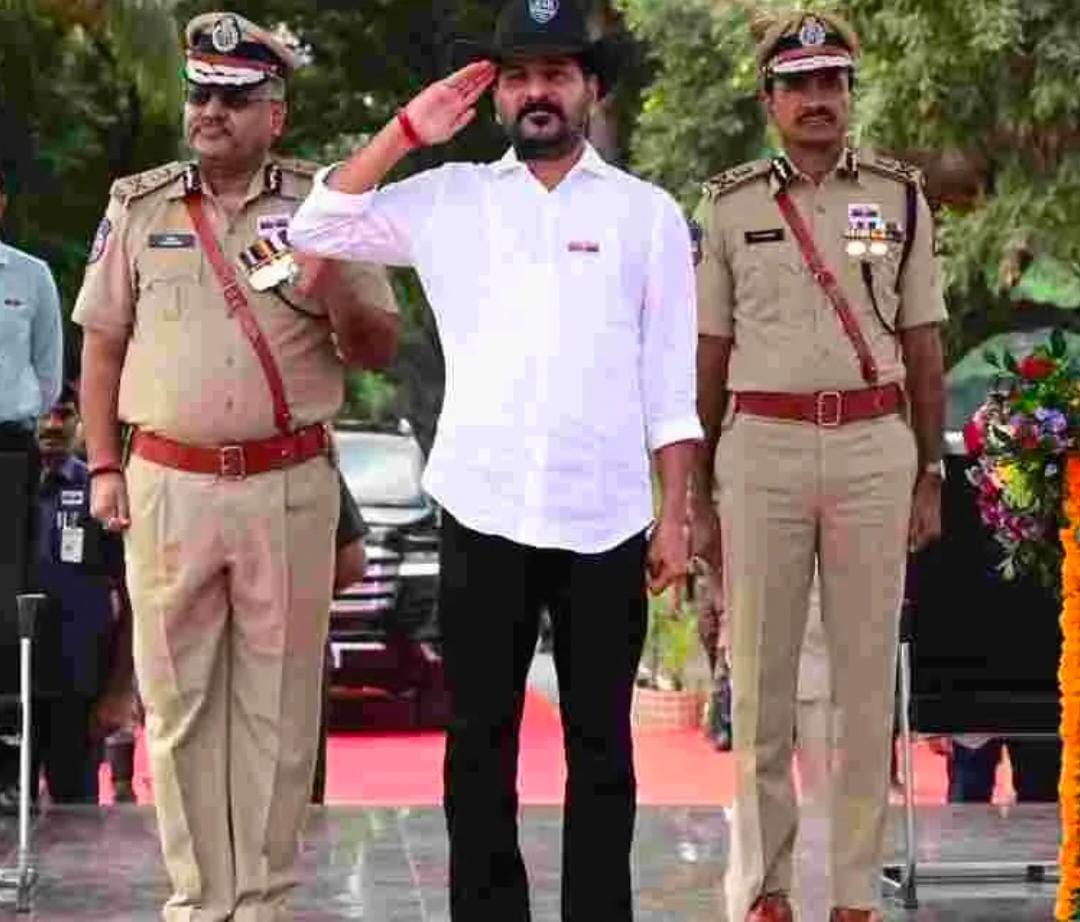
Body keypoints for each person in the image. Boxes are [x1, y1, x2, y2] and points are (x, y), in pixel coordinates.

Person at [288, 1, 701, 917]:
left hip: (606, 518)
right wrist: (407, 131)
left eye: (556, 74)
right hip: (482, 510)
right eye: (518, 77)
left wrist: (676, 513)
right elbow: (316, 228)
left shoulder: (648, 216)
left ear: (590, 88)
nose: (536, 92)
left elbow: (672, 386)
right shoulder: (449, 197)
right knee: (479, 742)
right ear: (496, 95)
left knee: (603, 748)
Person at [72, 12, 400, 919]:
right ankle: (198, 900)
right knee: (177, 705)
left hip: (286, 487)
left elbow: (376, 346)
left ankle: (261, 902)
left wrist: (331, 280)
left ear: (275, 114)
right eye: (201, 94)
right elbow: (102, 346)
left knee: (278, 710)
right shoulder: (138, 205)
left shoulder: (325, 206)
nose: (211, 111)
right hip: (166, 486)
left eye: (235, 97)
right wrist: (102, 467)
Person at [690, 11, 947, 922]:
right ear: (770, 101)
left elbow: (924, 341)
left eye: (831, 82)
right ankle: (764, 889)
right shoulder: (728, 207)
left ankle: (853, 895)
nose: (816, 99)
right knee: (760, 678)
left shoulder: (901, 198)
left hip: (875, 448)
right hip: (761, 447)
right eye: (797, 85)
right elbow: (709, 352)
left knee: (864, 683)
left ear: (849, 94)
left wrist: (929, 471)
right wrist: (695, 491)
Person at [27, 382, 131, 804]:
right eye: (45, 413)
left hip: (78, 690)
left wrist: (119, 691)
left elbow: (132, 596)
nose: (53, 424)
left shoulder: (99, 491)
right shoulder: (11, 486)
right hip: (12, 686)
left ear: (82, 422)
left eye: (65, 413)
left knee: (76, 820)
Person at [0, 170, 64, 810]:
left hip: (8, 450)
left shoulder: (29, 276)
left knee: (7, 597)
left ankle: (6, 770)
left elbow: (48, 375)